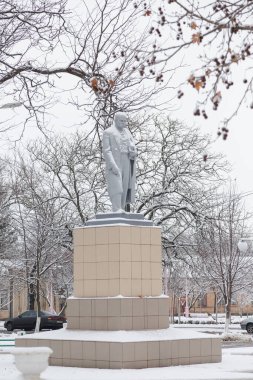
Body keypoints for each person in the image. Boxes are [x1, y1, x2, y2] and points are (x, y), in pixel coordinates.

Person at [103, 112, 137, 212]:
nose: (124, 123)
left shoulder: (127, 132)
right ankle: (116, 208)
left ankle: (121, 207)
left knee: (125, 184)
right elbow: (106, 150)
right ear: (116, 120)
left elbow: (133, 145)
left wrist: (133, 151)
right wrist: (112, 165)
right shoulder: (108, 132)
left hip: (127, 159)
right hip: (115, 161)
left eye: (125, 121)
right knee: (117, 185)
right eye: (121, 121)